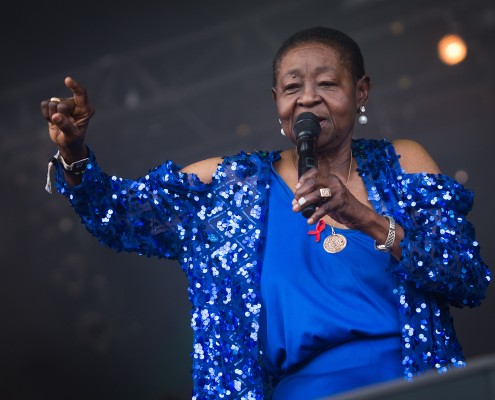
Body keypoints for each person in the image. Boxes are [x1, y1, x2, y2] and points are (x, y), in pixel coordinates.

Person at [41, 27, 490, 400]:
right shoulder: (227, 184)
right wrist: (76, 155)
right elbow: (120, 217)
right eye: (293, 87)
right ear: (276, 100)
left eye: (328, 84)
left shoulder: (402, 163)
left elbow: (466, 278)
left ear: (361, 92)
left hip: (417, 385)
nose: (308, 100)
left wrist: (368, 220)